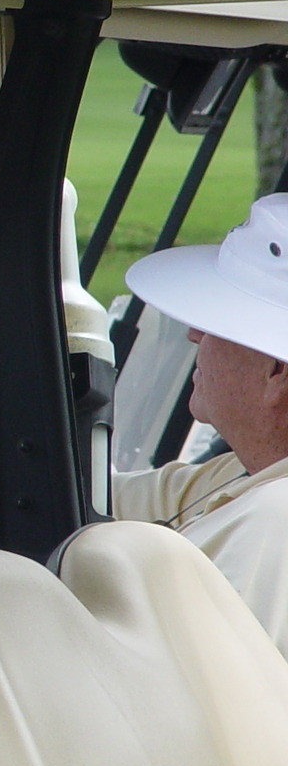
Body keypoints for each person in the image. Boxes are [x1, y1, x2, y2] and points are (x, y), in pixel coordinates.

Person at [112, 193, 288, 649]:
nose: (194, 333)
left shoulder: (274, 521)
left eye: (217, 321)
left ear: (277, 372)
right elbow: (81, 497)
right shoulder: (247, 472)